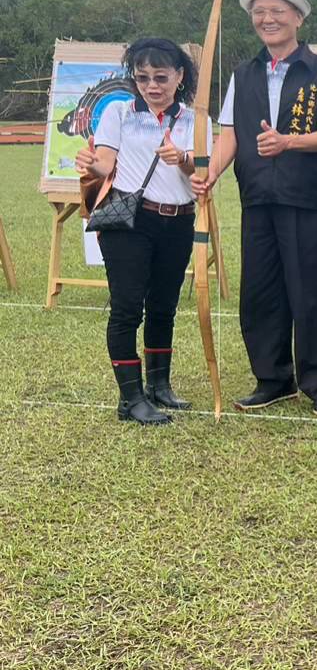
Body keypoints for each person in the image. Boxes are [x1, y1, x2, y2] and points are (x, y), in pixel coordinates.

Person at [192, 0, 317, 416]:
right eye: (259, 13)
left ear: (297, 17)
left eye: (277, 11)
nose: (268, 19)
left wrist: (288, 143)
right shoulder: (244, 74)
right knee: (261, 292)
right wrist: (210, 174)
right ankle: (273, 379)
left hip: (307, 198)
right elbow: (232, 134)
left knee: (310, 291)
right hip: (258, 197)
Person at [76, 39, 207, 424]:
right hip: (131, 222)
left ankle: (159, 386)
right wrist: (91, 164)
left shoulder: (197, 120)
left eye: (161, 77)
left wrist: (182, 160)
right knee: (127, 308)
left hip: (179, 220)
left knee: (164, 306)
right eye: (143, 77)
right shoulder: (119, 111)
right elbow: (105, 164)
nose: (152, 85)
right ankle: (130, 398)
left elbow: (202, 176)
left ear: (179, 76)